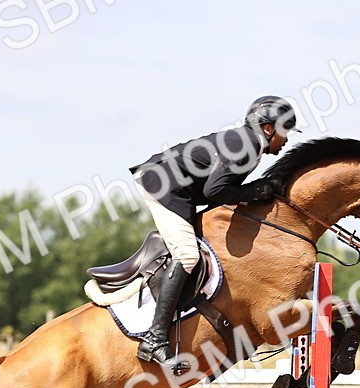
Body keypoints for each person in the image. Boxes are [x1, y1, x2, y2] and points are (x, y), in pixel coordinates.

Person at [129, 95, 300, 370]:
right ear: (269, 128)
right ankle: (154, 338)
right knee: (186, 255)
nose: (286, 140)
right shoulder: (246, 145)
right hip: (163, 185)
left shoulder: (246, 142)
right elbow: (215, 191)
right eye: (285, 131)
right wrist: (254, 191)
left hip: (174, 185)